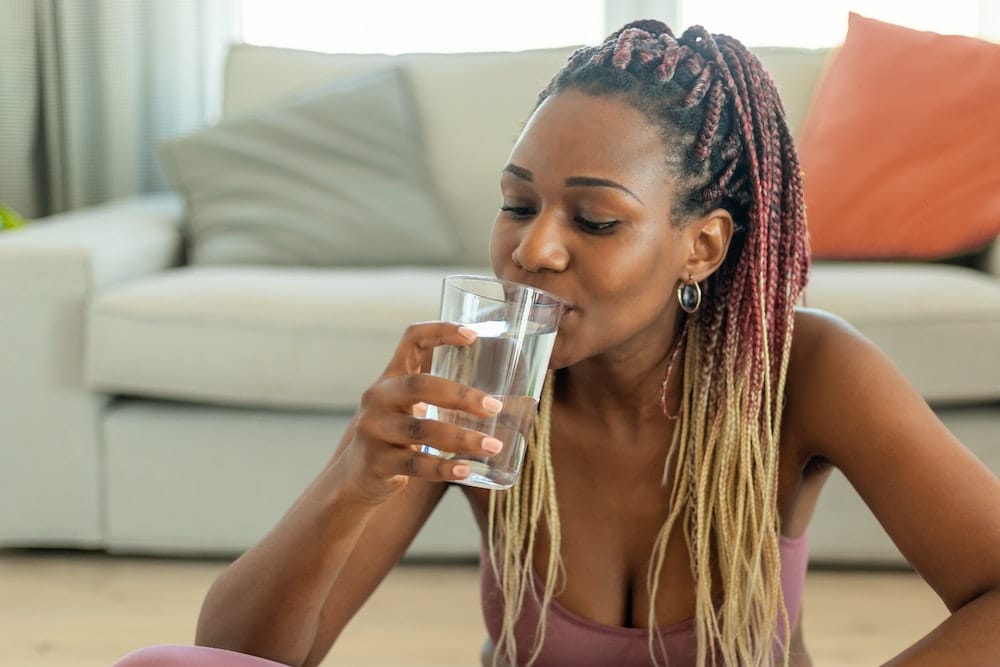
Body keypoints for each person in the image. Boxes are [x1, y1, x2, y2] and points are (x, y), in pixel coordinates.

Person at [114, 19, 1000, 667]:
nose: (533, 249)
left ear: (702, 243)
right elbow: (234, 655)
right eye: (516, 203)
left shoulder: (799, 370)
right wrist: (355, 476)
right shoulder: (476, 380)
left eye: (595, 217)